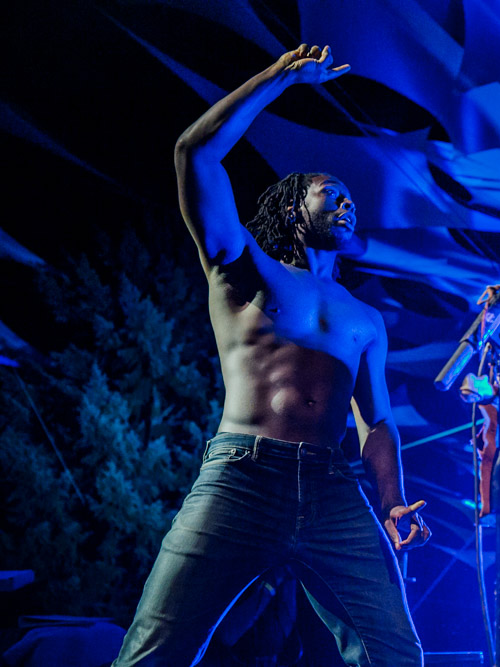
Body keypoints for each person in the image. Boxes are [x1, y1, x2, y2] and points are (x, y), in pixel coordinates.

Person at [114, 44, 430, 667]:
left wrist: (392, 499)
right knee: (153, 652)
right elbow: (193, 153)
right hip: (241, 477)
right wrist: (278, 80)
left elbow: (378, 422)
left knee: (397, 655)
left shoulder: (366, 318)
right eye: (328, 192)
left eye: (350, 199)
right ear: (291, 207)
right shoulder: (243, 267)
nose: (347, 202)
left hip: (334, 488)